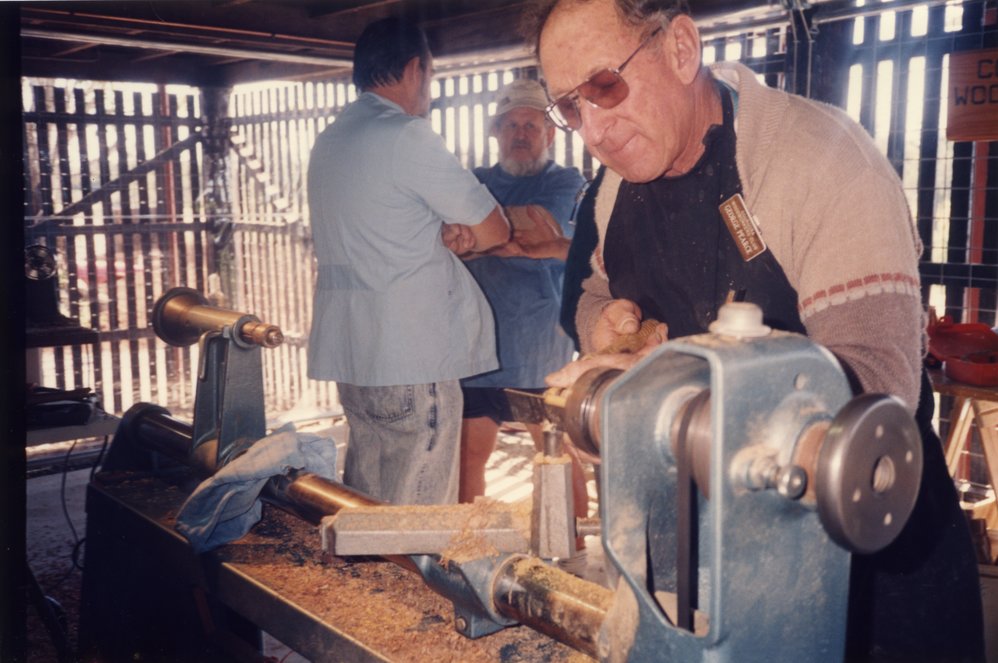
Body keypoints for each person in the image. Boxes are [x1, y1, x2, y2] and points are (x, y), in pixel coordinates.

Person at [525, 0, 986, 660]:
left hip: (868, 566)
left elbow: (877, 392)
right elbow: (590, 291)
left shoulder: (819, 162)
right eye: (571, 107)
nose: (592, 130)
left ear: (681, 48)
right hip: (703, 550)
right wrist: (604, 323)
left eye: (605, 86)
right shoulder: (612, 188)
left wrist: (655, 393)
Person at [306, 17, 510, 506]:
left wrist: (437, 232)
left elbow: (381, 229)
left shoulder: (331, 141)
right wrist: (463, 233)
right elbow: (495, 229)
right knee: (416, 520)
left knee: (367, 505)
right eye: (431, 77)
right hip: (412, 356)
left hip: (354, 355)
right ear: (417, 69)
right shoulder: (407, 135)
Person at [457, 79, 590, 567]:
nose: (521, 133)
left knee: (553, 454)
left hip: (540, 344)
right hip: (477, 345)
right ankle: (469, 555)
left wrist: (478, 234)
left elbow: (543, 229)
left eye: (531, 125)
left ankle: (573, 552)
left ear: (549, 135)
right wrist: (511, 235)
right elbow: (514, 234)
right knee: (468, 456)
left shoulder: (564, 181)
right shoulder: (473, 180)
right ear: (495, 131)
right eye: (511, 125)